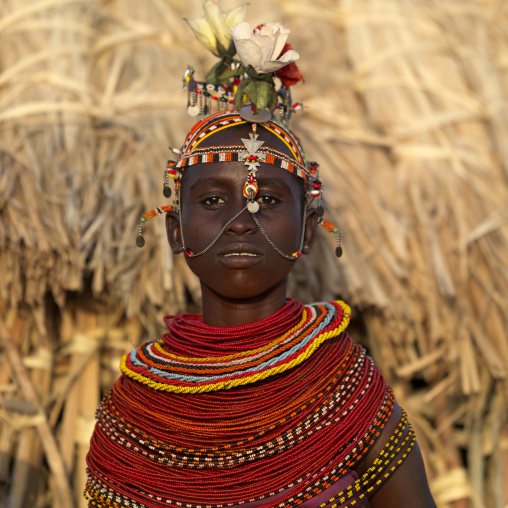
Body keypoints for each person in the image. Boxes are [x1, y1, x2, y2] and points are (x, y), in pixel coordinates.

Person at [84, 15, 437, 508]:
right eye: (211, 201)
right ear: (174, 230)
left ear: (308, 230)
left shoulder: (346, 387)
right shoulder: (135, 409)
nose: (242, 221)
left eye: (268, 200)